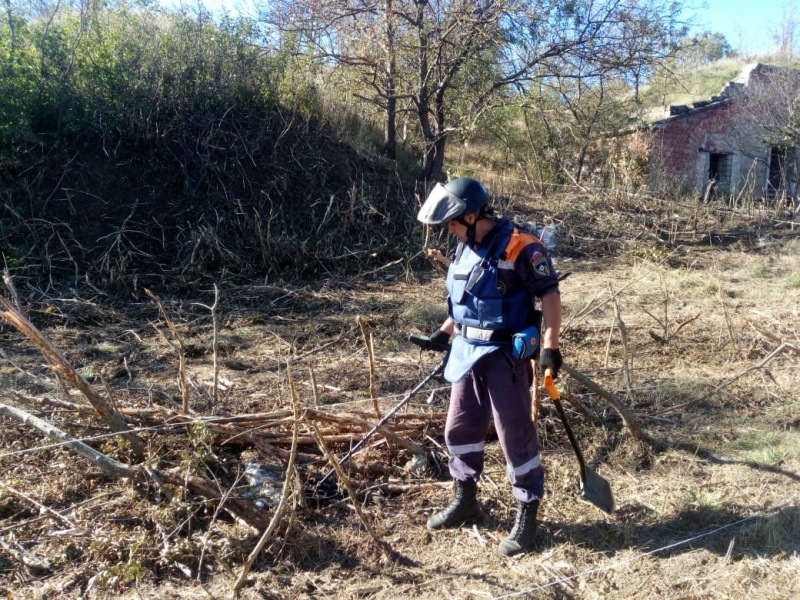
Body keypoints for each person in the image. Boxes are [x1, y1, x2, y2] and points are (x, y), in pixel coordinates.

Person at [417, 177, 563, 557]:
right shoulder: (466, 247)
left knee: (514, 434)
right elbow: (466, 303)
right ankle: (465, 502)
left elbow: (549, 294)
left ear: (469, 215)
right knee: (459, 428)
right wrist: (441, 334)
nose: (446, 230)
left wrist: (549, 348)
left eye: (450, 222)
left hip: (504, 356)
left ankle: (527, 514)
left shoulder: (520, 245)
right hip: (466, 353)